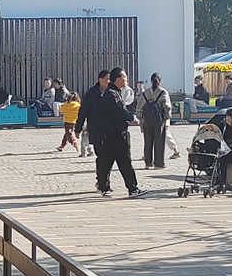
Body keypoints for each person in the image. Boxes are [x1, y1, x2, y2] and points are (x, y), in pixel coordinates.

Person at [77, 68, 142, 196]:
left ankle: (104, 187)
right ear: (118, 79)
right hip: (117, 134)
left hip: (109, 134)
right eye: (124, 77)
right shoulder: (112, 94)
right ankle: (132, 189)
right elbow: (120, 111)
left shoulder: (112, 92)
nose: (126, 79)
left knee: (106, 161)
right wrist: (132, 118)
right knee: (123, 162)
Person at [139, 73, 173, 169]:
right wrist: (166, 118)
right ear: (160, 81)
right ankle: (159, 163)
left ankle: (148, 163)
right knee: (159, 142)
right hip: (159, 121)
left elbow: (139, 107)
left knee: (147, 142)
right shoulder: (163, 92)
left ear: (151, 81)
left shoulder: (145, 93)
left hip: (147, 121)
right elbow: (167, 107)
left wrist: (141, 120)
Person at [58, 89, 82, 154]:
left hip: (67, 122)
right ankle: (62, 146)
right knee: (67, 134)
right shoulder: (78, 105)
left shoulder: (66, 104)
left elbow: (61, 110)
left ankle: (74, 144)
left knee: (68, 134)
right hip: (75, 121)